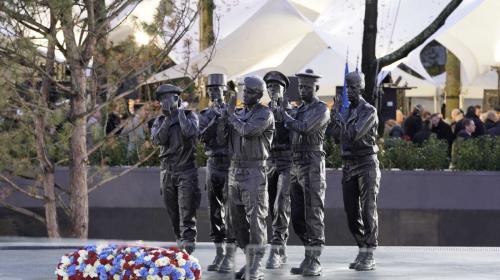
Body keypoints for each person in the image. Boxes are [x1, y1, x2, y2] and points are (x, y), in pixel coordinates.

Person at [219, 76, 274, 280]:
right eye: (244, 91)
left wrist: (231, 116)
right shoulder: (239, 113)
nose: (245, 94)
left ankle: (256, 264)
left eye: (250, 92)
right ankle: (249, 259)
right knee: (236, 221)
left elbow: (247, 131)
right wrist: (223, 119)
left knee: (256, 219)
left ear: (259, 95)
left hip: (254, 171)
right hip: (235, 171)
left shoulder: (264, 114)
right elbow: (221, 139)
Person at [278, 69, 330, 277]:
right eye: (300, 86)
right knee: (298, 216)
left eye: (306, 87)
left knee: (313, 212)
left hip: (313, 162)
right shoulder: (298, 110)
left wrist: (286, 115)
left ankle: (315, 259)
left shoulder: (321, 109)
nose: (302, 90)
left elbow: (305, 128)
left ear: (316, 88)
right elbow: (287, 130)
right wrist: (279, 113)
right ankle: (308, 255)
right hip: (296, 163)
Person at [327, 71, 380, 271]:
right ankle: (362, 247)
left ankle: (369, 252)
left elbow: (354, 134)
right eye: (347, 87)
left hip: (366, 164)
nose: (350, 91)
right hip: (348, 165)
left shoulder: (369, 110)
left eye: (354, 87)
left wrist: (339, 118)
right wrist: (334, 117)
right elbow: (335, 137)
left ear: (361, 88)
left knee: (368, 209)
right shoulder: (347, 112)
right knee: (351, 213)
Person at [151, 84, 201, 254]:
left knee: (187, 212)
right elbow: (158, 140)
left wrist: (179, 113)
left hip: (186, 170)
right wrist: (166, 119)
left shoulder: (189, 116)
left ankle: (188, 246)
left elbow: (190, 133)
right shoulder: (158, 121)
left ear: (177, 99)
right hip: (167, 172)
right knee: (173, 212)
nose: (165, 101)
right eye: (162, 99)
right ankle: (180, 244)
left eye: (169, 97)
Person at [198, 73, 236, 272]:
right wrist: (216, 119)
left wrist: (227, 115)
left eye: (217, 89)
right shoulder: (204, 115)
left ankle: (230, 254)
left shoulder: (234, 112)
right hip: (213, 163)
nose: (214, 93)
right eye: (211, 90)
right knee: (214, 211)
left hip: (230, 165)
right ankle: (219, 251)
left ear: (224, 90)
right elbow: (202, 136)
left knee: (231, 211)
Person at [262, 71, 292, 269]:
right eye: (270, 88)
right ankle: (281, 249)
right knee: (271, 207)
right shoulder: (262, 112)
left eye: (277, 88)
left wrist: (282, 117)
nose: (273, 91)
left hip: (287, 163)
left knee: (281, 205)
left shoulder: (292, 111)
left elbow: (295, 135)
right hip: (269, 163)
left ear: (283, 90)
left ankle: (276, 247)